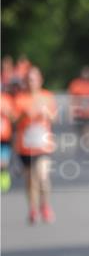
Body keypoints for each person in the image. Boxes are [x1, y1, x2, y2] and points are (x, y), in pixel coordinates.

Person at [13, 66, 58, 223]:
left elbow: (54, 118)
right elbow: (14, 121)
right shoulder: (20, 98)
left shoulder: (47, 97)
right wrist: (23, 116)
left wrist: (47, 114)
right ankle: (32, 209)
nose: (31, 82)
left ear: (40, 80)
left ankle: (45, 206)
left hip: (43, 145)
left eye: (34, 79)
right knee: (31, 180)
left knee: (43, 176)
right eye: (29, 80)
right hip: (26, 146)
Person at [67, 65, 89, 144]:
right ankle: (83, 149)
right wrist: (71, 113)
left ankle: (87, 148)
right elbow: (72, 100)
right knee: (81, 133)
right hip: (79, 113)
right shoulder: (76, 84)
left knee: (88, 132)